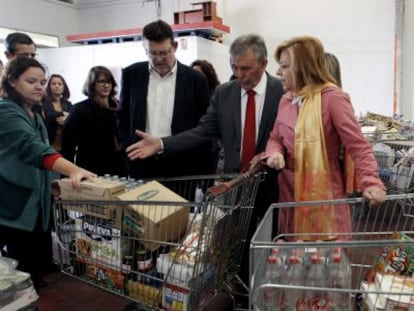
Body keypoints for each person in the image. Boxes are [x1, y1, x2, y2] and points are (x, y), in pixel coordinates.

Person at [125, 34, 284, 300]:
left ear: (264, 63)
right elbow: (202, 131)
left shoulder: (282, 92)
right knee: (234, 249)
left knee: (269, 246)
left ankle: (266, 295)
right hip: (234, 186)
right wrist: (162, 144)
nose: (239, 74)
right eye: (234, 67)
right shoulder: (224, 93)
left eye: (245, 68)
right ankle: (241, 297)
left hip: (273, 186)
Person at [264, 36, 386, 240]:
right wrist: (274, 152)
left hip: (324, 197)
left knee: (327, 262)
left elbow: (358, 146)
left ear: (302, 67)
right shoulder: (286, 100)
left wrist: (371, 181)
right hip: (289, 196)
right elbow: (275, 137)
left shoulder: (333, 98)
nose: (278, 73)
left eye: (284, 66)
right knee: (294, 263)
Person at [0, 56, 96, 289]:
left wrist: (53, 183)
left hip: (37, 194)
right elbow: (33, 148)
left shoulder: (33, 112)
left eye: (42, 82)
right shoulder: (6, 112)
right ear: (12, 81)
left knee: (37, 243)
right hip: (15, 197)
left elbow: (42, 147)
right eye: (31, 81)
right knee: (21, 252)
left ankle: (36, 276)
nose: (39, 87)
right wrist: (73, 169)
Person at [117, 19, 215, 179]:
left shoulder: (195, 79)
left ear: (174, 47)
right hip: (141, 163)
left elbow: (203, 126)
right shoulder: (131, 74)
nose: (159, 59)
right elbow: (123, 117)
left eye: (164, 52)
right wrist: (126, 148)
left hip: (182, 165)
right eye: (153, 53)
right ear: (145, 49)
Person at [61, 66, 126, 177]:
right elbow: (68, 143)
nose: (106, 85)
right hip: (90, 167)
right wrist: (68, 173)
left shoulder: (118, 107)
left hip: (117, 166)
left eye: (109, 82)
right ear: (92, 84)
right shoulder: (80, 109)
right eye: (102, 82)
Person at [43, 74, 73, 152]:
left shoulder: (68, 104)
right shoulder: (44, 103)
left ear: (64, 87)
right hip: (49, 146)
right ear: (49, 87)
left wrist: (69, 118)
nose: (57, 86)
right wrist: (67, 115)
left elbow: (75, 119)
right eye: (53, 84)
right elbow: (50, 116)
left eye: (59, 84)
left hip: (66, 146)